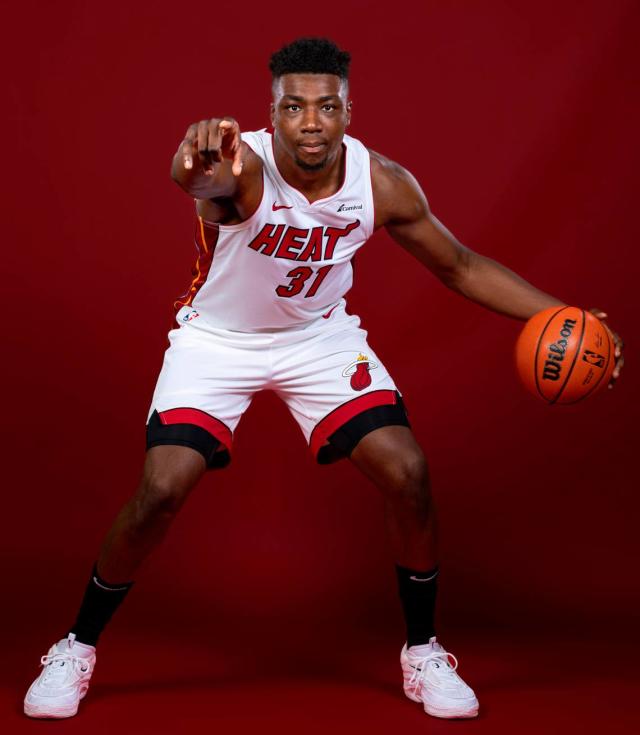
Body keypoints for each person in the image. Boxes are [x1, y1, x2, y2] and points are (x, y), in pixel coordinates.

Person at [24, 37, 623, 720]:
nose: (311, 122)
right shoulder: (241, 166)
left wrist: (564, 314)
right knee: (162, 487)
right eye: (294, 107)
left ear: (347, 109)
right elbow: (198, 181)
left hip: (319, 338)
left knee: (409, 471)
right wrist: (191, 164)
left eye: (327, 106)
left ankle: (423, 651)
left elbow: (458, 264)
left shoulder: (383, 183)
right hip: (219, 342)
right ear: (272, 112)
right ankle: (76, 645)